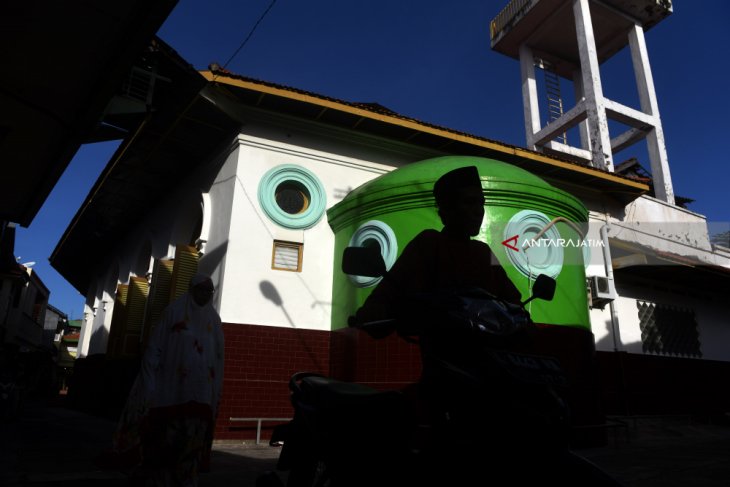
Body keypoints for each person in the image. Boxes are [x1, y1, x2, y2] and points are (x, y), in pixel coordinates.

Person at [112, 273, 224, 487]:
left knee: (191, 448)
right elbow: (155, 349)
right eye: (201, 289)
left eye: (209, 291)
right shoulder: (173, 312)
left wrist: (216, 392)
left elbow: (219, 358)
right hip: (170, 394)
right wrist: (149, 384)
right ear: (192, 289)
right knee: (165, 448)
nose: (205, 294)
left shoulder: (214, 320)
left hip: (200, 397)